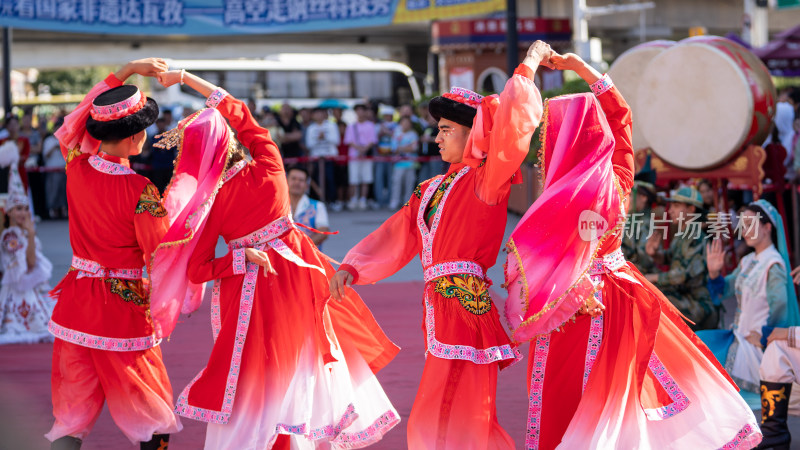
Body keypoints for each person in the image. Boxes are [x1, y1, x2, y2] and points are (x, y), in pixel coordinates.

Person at [503, 50, 761, 449]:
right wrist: (583, 69)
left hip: (569, 308)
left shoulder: (555, 201)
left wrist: (532, 67)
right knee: (623, 396)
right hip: (621, 297)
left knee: (564, 395)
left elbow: (535, 264)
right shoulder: (619, 177)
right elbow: (622, 119)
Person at [149, 69, 400, 449]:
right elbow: (238, 109)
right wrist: (186, 77)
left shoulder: (210, 204)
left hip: (254, 293)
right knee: (304, 361)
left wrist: (239, 258)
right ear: (232, 141)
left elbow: (199, 270)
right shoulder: (269, 160)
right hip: (299, 276)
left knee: (257, 375)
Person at [329, 40, 554, 450]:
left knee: (457, 410)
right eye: (437, 130)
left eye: (446, 130)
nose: (437, 138)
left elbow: (512, 129)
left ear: (473, 135)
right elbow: (398, 233)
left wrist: (530, 64)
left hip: (465, 308)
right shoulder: (430, 188)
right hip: (440, 307)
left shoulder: (486, 180)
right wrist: (353, 266)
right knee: (447, 410)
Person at [45, 58, 181, 450]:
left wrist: (124, 72)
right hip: (122, 314)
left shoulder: (77, 166)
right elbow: (163, 252)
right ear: (137, 137)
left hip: (76, 305)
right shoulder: (141, 191)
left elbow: (73, 121)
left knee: (73, 414)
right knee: (150, 408)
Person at [701, 200, 800, 393]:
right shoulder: (747, 261)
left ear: (767, 227)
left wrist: (765, 338)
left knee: (706, 366)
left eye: (750, 225)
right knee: (698, 345)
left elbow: (780, 314)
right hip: (738, 338)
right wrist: (714, 274)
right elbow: (725, 291)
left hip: (755, 349)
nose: (745, 230)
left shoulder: (773, 266)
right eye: (743, 226)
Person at [642, 186, 717, 330]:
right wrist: (654, 253)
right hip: (683, 297)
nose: (670, 210)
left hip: (698, 304)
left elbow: (683, 275)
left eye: (676, 206)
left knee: (653, 298)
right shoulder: (683, 234)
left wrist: (654, 277)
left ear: (691, 210)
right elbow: (669, 258)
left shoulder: (695, 237)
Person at [0, 183, 53, 344]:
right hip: (17, 291)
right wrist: (30, 234)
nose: (22, 213)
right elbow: (30, 265)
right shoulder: (10, 237)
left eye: (24, 208)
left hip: (33, 288)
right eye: (18, 209)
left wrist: (29, 234)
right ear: (9, 212)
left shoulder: (25, 233)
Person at [344, 102, 377, 210]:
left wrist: (364, 149)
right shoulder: (351, 126)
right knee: (353, 179)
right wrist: (359, 149)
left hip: (366, 155)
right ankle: (353, 199)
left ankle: (363, 199)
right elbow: (349, 141)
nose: (360, 113)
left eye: (362, 110)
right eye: (358, 110)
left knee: (366, 178)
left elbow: (372, 140)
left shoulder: (370, 125)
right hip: (354, 155)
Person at [287, 166, 331, 248]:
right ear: (286, 181)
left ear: (307, 186)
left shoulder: (318, 206)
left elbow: (323, 232)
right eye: (293, 179)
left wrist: (301, 247)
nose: (297, 182)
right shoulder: (277, 205)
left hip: (308, 258)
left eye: (301, 180)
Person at [304, 106, 339, 203]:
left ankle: (332, 201)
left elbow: (336, 141)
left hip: (329, 157)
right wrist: (318, 138)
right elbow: (309, 144)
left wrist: (325, 136)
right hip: (316, 158)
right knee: (316, 180)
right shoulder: (311, 128)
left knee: (330, 179)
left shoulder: (332, 125)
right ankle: (319, 201)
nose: (319, 115)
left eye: (321, 113)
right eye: (316, 113)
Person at [387, 116, 419, 210]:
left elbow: (414, 148)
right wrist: (407, 146)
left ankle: (407, 203)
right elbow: (394, 149)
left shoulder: (413, 134)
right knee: (397, 183)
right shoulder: (396, 134)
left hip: (411, 163)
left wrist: (402, 148)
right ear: (400, 124)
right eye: (404, 122)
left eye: (408, 123)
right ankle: (394, 201)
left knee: (409, 184)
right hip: (398, 164)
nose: (406, 124)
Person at [43, 118, 68, 219]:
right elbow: (46, 155)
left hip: (64, 169)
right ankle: (52, 211)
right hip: (52, 170)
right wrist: (54, 147)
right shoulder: (48, 141)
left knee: (64, 192)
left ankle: (63, 210)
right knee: (53, 191)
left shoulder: (66, 139)